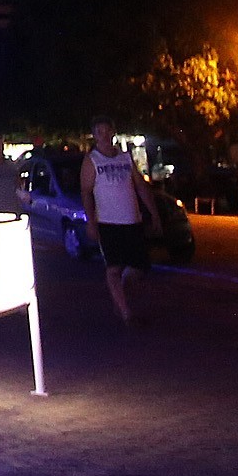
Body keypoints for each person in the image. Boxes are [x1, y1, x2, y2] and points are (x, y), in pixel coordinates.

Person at [81, 118, 160, 324]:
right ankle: (126, 312)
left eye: (107, 131)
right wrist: (91, 221)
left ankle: (119, 294)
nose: (104, 136)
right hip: (108, 223)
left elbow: (140, 186)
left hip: (132, 220)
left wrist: (154, 214)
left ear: (113, 132)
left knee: (140, 266)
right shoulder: (92, 160)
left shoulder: (125, 158)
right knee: (114, 268)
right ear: (95, 136)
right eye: (99, 132)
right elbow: (86, 192)